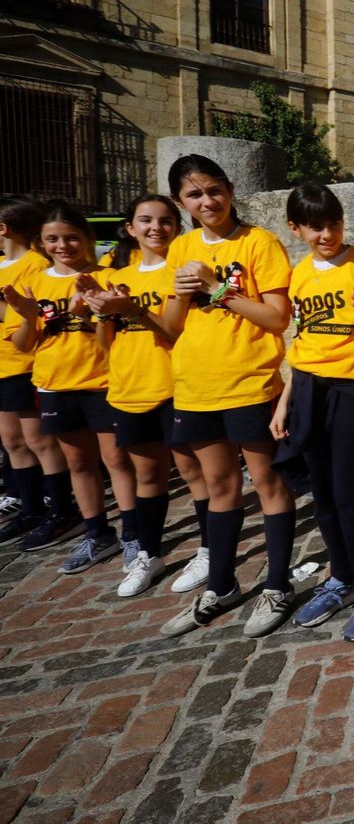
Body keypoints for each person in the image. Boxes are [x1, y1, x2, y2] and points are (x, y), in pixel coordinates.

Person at [158, 155, 297, 638]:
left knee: (268, 485)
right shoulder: (181, 248)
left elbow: (277, 319)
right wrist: (162, 300)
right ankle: (221, 584)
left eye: (214, 191)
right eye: (194, 195)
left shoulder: (259, 243)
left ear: (231, 190)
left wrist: (219, 289)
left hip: (250, 384)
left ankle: (277, 585)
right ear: (181, 203)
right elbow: (172, 327)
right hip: (196, 388)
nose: (207, 202)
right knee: (219, 489)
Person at [270, 184, 354, 642]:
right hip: (308, 390)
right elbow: (301, 344)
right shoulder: (300, 274)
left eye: (334, 223)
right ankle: (341, 578)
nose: (326, 233)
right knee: (322, 496)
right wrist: (286, 402)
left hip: (352, 391)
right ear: (296, 228)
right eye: (315, 226)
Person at [3, 201, 138, 576]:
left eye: (72, 238)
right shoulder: (33, 282)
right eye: (53, 240)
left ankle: (133, 534)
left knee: (115, 461)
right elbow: (23, 344)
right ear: (42, 243)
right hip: (53, 384)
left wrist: (92, 310)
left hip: (103, 381)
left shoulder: (109, 275)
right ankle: (96, 532)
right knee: (78, 463)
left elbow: (109, 340)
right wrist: (30, 314)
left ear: (88, 238)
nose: (63, 246)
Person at [86, 194, 209, 597]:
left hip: (176, 385)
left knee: (192, 471)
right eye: (146, 220)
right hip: (129, 387)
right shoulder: (116, 276)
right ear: (130, 227)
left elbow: (173, 331)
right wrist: (104, 310)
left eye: (166, 220)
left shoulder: (181, 274)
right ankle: (149, 553)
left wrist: (134, 309)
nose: (156, 228)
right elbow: (106, 342)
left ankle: (209, 548)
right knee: (147, 474)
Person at [0, 195, 72, 551]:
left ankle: (60, 510)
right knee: (12, 442)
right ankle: (28, 509)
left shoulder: (32, 264)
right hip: (1, 367)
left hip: (22, 365)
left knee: (39, 442)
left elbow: (39, 316)